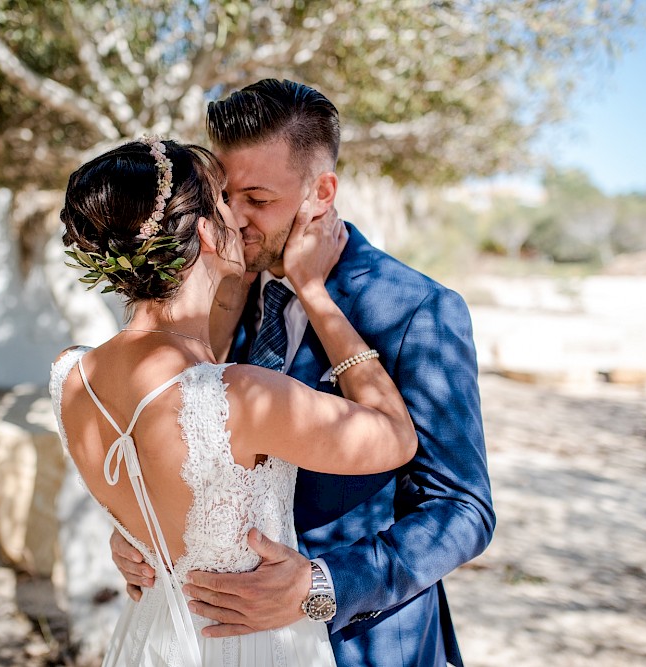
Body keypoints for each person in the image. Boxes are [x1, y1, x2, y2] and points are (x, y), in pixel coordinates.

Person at [111, 80, 496, 667]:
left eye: (258, 200)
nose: (233, 221)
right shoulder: (214, 294)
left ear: (321, 192)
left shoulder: (417, 310)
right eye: (224, 196)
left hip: (365, 646)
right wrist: (141, 534)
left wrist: (320, 588)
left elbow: (464, 510)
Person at [50, 136, 419, 666]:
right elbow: (396, 436)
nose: (240, 216)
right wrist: (314, 294)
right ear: (205, 231)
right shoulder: (240, 395)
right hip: (246, 645)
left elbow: (153, 490)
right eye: (224, 199)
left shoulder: (71, 374)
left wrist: (134, 535)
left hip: (145, 637)